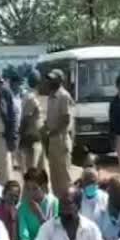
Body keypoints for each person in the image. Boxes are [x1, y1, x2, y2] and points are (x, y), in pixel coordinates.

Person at [18, 168, 59, 240]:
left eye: (35, 188)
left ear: (44, 187)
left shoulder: (54, 203)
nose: (31, 192)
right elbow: (25, 238)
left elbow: (54, 233)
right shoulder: (23, 207)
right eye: (28, 188)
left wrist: (39, 214)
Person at [43, 69, 75, 197]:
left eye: (53, 79)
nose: (50, 82)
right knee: (54, 176)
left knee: (64, 176)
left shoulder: (64, 96)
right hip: (52, 140)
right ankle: (58, 204)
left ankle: (69, 203)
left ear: (60, 80)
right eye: (49, 79)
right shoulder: (51, 96)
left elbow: (66, 119)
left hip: (61, 139)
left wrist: (53, 132)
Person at [19, 70, 47, 173]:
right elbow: (26, 118)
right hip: (31, 140)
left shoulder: (33, 96)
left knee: (41, 172)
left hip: (37, 139)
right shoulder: (31, 97)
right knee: (32, 171)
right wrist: (21, 138)